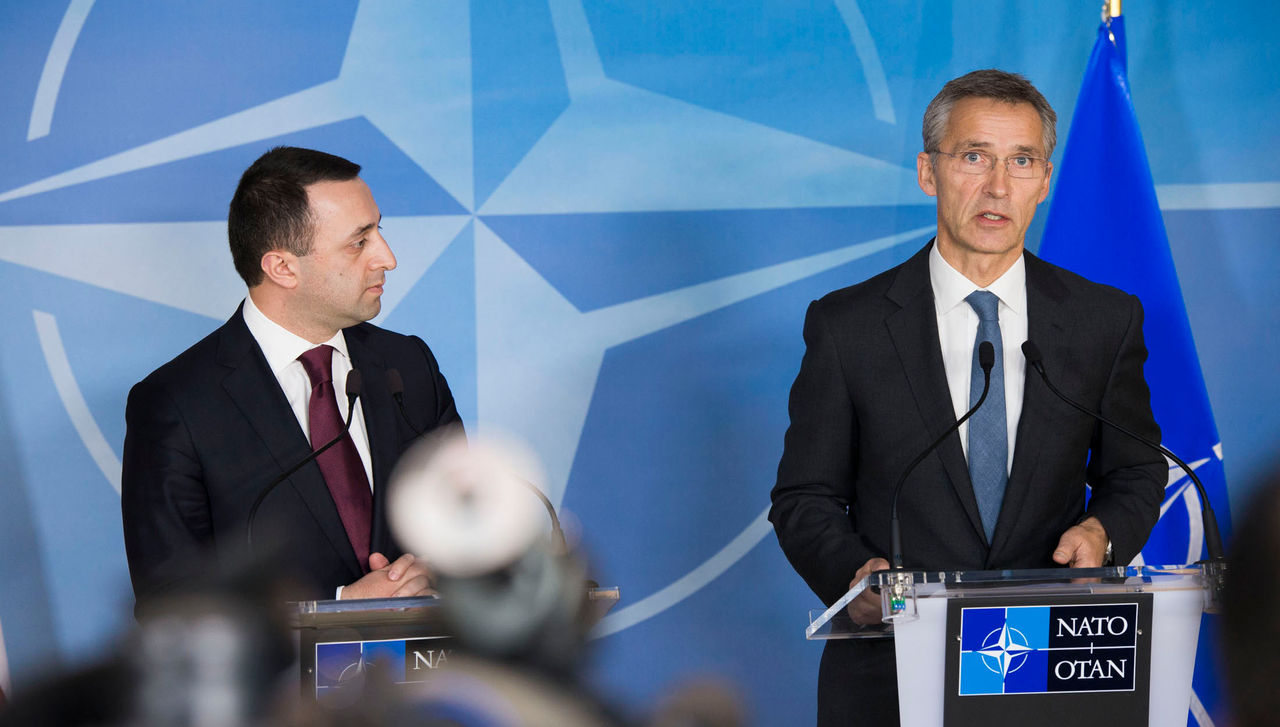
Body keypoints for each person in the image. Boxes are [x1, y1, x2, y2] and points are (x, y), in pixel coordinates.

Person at [768, 70, 1166, 725]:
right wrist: (856, 575)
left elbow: (1137, 469)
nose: (998, 186)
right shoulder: (850, 325)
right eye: (975, 156)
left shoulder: (1103, 321)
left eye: (1022, 161)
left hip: (1051, 669)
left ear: (1045, 179)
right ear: (929, 172)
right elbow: (803, 495)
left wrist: (1104, 531)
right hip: (889, 675)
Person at [122, 146, 462, 607]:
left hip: (431, 674)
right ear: (282, 267)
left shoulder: (408, 365)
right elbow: (171, 601)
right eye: (359, 242)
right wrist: (336, 603)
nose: (388, 257)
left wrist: (433, 571)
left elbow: (468, 521)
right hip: (282, 678)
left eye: (379, 230)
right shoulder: (176, 404)